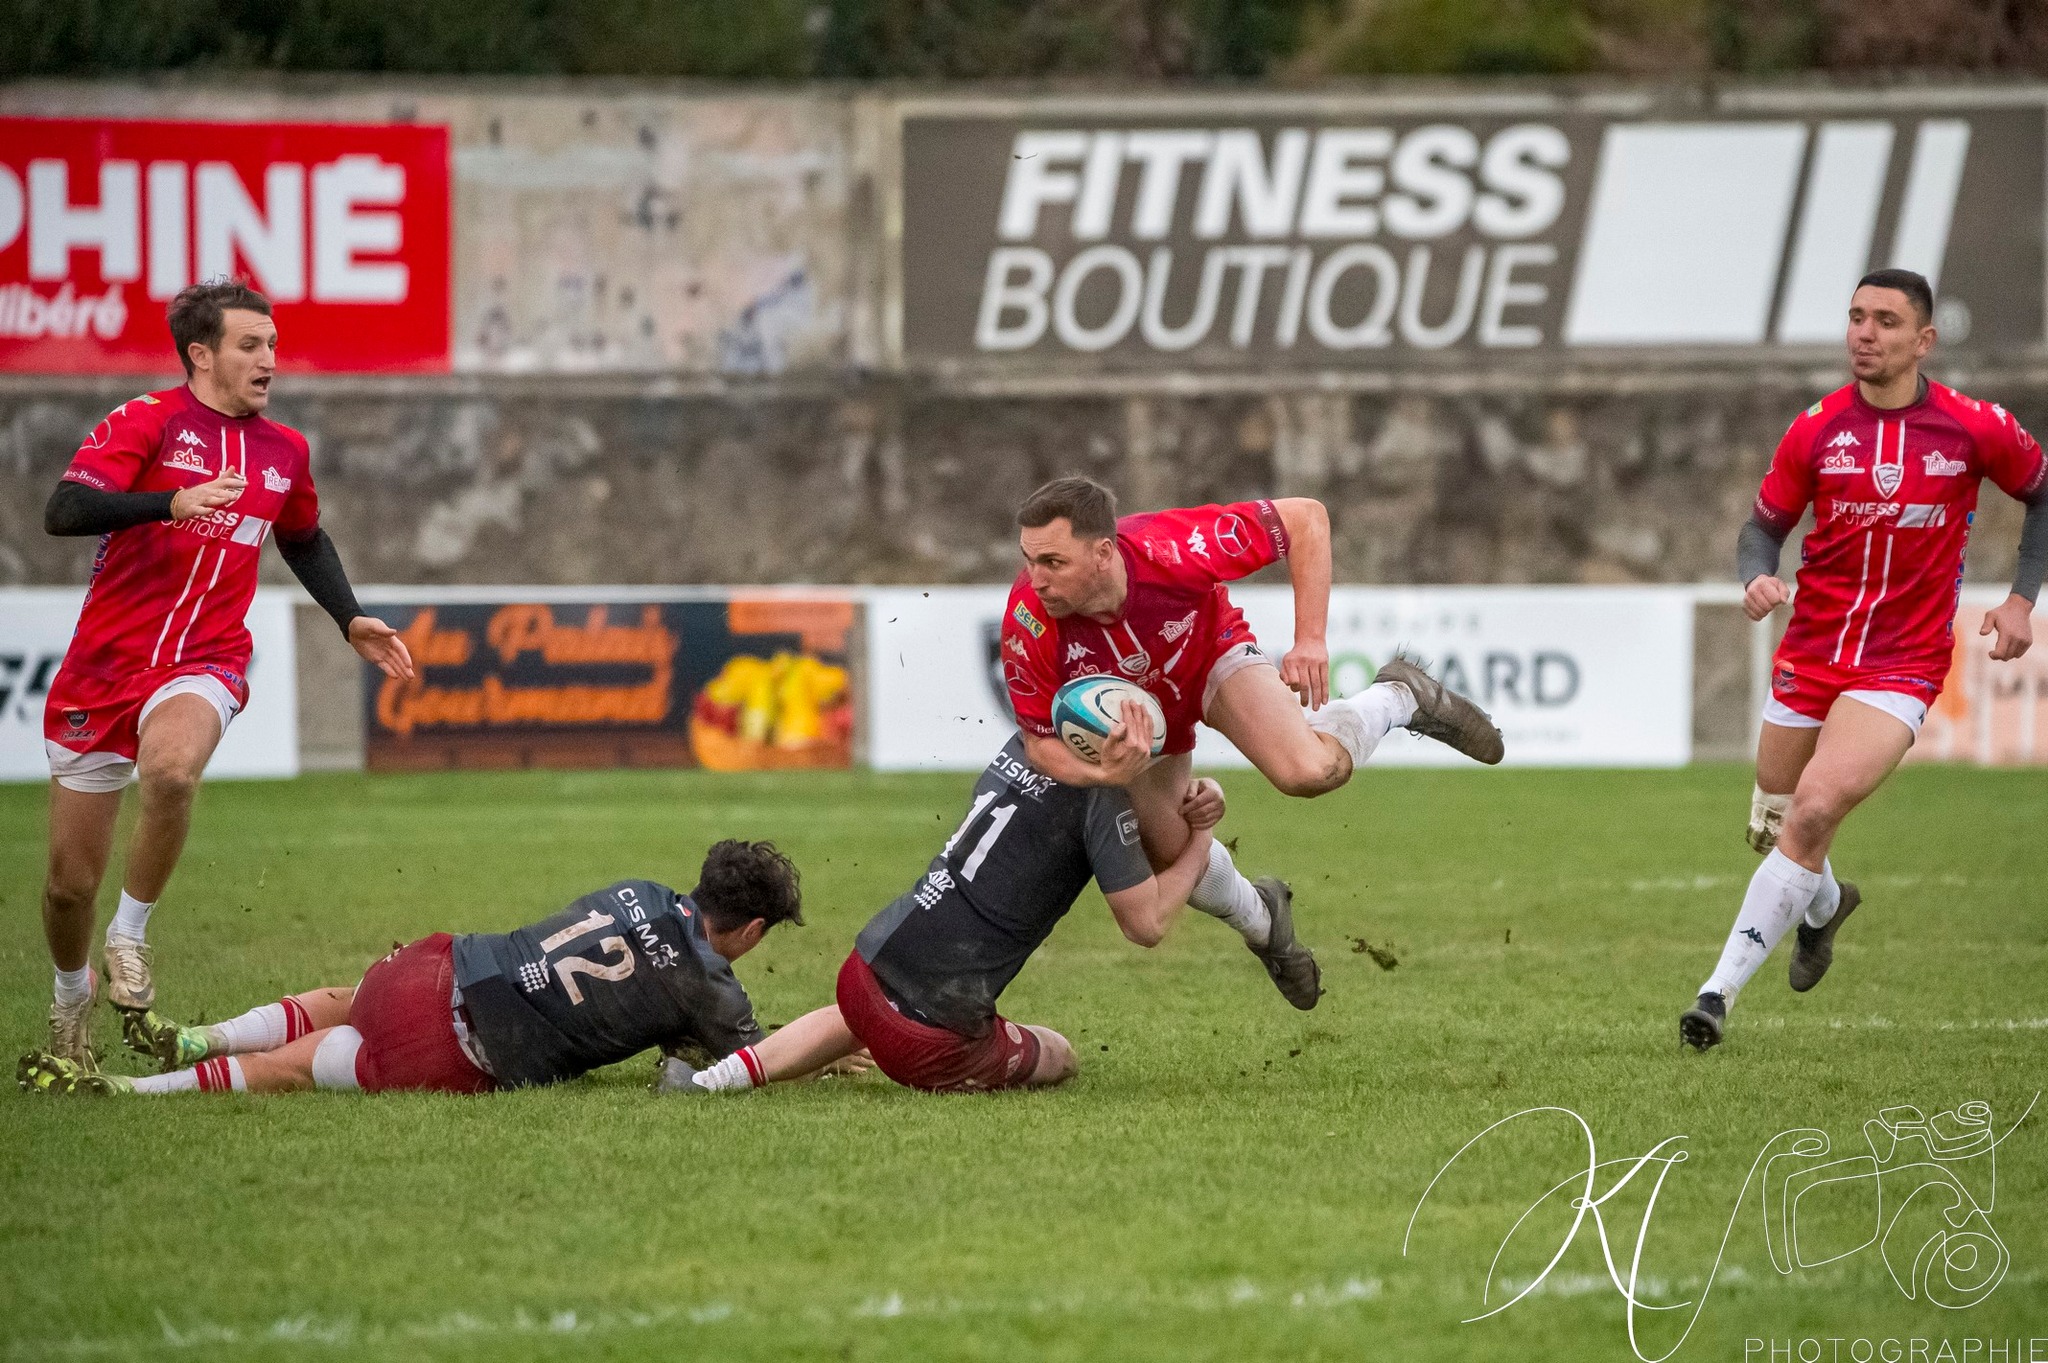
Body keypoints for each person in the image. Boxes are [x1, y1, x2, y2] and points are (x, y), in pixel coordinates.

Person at [36, 279, 415, 1068]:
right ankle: (71, 996)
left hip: (206, 656)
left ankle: (130, 937)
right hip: (101, 672)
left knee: (170, 772)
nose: (268, 359)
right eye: (250, 344)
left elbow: (303, 537)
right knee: (68, 885)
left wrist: (350, 617)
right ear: (201, 355)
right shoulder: (148, 421)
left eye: (272, 344)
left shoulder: (286, 450)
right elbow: (65, 508)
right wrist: (169, 501)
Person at [1680, 268, 2046, 1051]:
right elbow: (1762, 525)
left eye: (1884, 320)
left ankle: (1714, 997)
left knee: (1812, 811)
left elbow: (2043, 491)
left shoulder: (1974, 426)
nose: (1864, 334)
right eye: (1855, 317)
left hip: (1901, 663)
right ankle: (1824, 906)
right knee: (1778, 820)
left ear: (1923, 340)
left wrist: (2021, 599)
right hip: (1811, 649)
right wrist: (1755, 575)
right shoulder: (1814, 429)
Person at [996, 478, 1503, 1010]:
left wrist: (1310, 638)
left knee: (1309, 772)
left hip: (1211, 658)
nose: (1037, 579)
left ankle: (1400, 696)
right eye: (1029, 560)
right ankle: (1265, 925)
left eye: (1053, 562)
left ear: (1103, 553)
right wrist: (1108, 774)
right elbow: (1039, 744)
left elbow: (1307, 519)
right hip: (1143, 725)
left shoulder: (1171, 546)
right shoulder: (1028, 619)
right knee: (1176, 856)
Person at [655, 726, 1223, 1096]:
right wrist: (1200, 835)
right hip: (932, 1042)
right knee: (1060, 1054)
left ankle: (710, 1082)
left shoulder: (1023, 742)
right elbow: (1145, 924)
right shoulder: (1103, 800)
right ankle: (967, 1050)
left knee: (859, 1013)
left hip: (864, 970)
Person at [18, 840, 809, 1097]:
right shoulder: (711, 987)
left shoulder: (640, 888)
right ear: (750, 928)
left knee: (342, 997)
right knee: (296, 1069)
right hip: (460, 1043)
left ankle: (195, 1035)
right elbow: (715, 1074)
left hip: (440, 963)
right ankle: (129, 1089)